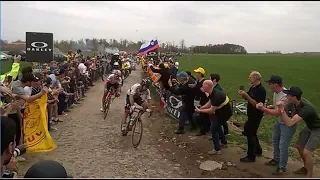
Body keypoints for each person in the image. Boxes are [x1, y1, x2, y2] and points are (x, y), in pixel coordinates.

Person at [275, 86, 320, 178]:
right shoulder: (296, 102)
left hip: (318, 128)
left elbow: (289, 123)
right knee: (299, 146)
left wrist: (282, 110)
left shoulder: (306, 109)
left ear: (294, 97)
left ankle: (309, 176)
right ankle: (306, 167)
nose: (286, 96)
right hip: (309, 126)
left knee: (307, 152)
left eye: (288, 95)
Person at [255, 75, 296, 175]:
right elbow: (276, 106)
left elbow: (277, 112)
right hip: (279, 121)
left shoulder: (285, 96)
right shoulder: (276, 92)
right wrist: (269, 106)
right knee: (275, 140)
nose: (269, 85)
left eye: (270, 84)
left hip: (287, 123)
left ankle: (282, 167)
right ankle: (276, 159)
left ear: (276, 84)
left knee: (283, 145)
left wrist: (263, 109)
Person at [195, 80, 232, 155]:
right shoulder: (213, 92)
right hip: (220, 112)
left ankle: (217, 149)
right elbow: (210, 102)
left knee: (213, 128)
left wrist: (200, 111)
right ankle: (223, 141)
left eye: (203, 85)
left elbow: (211, 111)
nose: (202, 86)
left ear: (207, 86)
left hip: (225, 114)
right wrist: (202, 108)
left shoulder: (216, 96)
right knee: (217, 126)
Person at [238, 71, 266, 162]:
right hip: (251, 114)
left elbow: (256, 104)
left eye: (250, 77)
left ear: (255, 78)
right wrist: (243, 95)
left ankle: (251, 156)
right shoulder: (253, 87)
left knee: (250, 134)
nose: (249, 78)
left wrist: (247, 95)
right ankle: (258, 150)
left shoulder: (261, 90)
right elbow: (248, 98)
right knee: (251, 132)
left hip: (256, 115)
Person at [189, 67, 209, 136]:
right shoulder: (198, 81)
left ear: (200, 74)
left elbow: (205, 92)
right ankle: (203, 128)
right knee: (200, 115)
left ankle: (203, 130)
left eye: (197, 73)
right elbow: (198, 88)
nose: (195, 74)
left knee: (203, 116)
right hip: (198, 100)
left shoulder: (204, 82)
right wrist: (194, 86)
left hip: (203, 101)